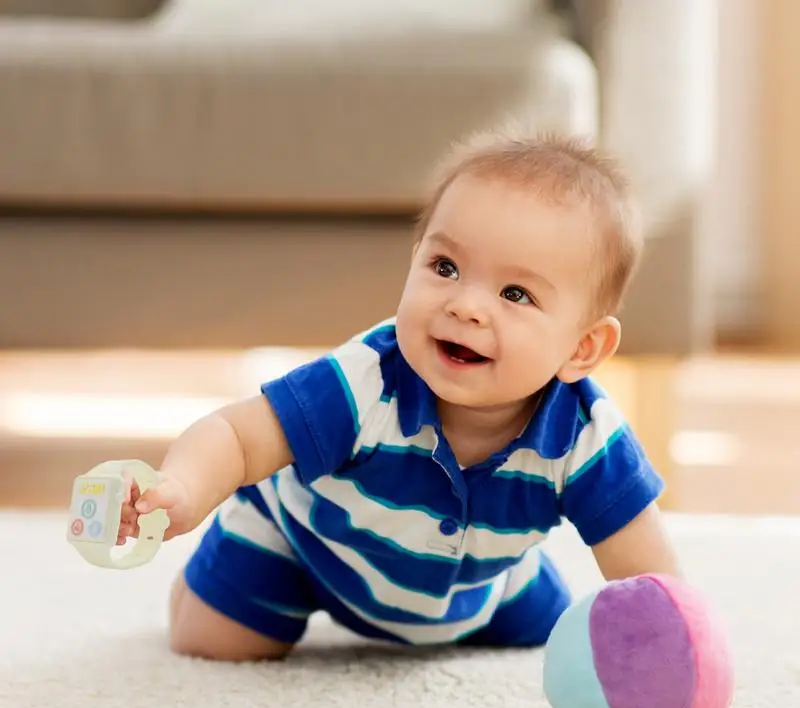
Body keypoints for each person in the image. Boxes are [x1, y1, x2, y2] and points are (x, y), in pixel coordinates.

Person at [117, 124, 682, 661]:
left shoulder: (586, 436)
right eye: (445, 266)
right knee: (213, 641)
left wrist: (670, 652)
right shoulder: (366, 381)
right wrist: (184, 488)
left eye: (514, 293)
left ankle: (513, 578)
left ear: (581, 349)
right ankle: (222, 562)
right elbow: (237, 437)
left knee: (547, 636)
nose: (465, 305)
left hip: (479, 586)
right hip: (309, 548)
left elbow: (647, 572)